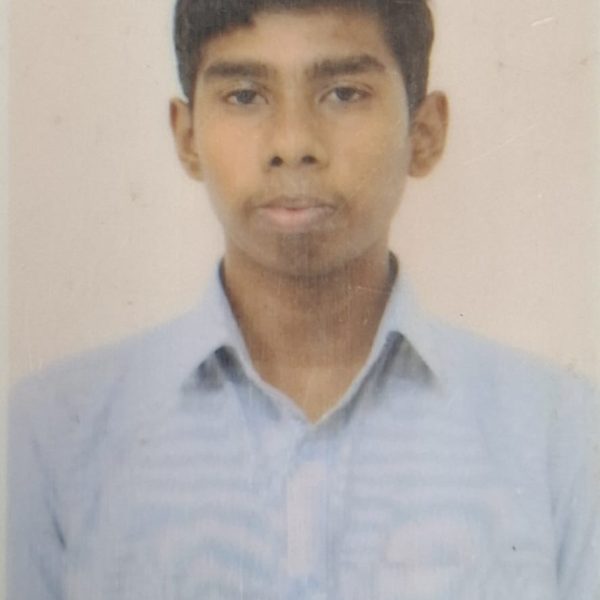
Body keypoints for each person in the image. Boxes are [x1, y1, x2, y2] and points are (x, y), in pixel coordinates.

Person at [8, 1, 599, 598]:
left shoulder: (561, 435)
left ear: (424, 133)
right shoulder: (51, 436)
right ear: (187, 138)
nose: (292, 143)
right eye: (244, 95)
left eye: (343, 93)